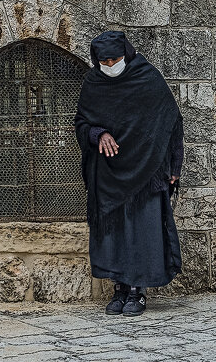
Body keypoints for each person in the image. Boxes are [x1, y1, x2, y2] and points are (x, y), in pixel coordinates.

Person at [74, 30, 183, 316]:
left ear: (127, 54)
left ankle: (138, 290)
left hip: (146, 169)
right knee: (113, 232)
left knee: (141, 230)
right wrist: (98, 134)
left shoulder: (147, 78)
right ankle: (119, 288)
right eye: (104, 61)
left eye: (115, 59)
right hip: (108, 171)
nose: (110, 65)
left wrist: (174, 166)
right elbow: (82, 122)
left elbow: (170, 120)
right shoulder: (93, 83)